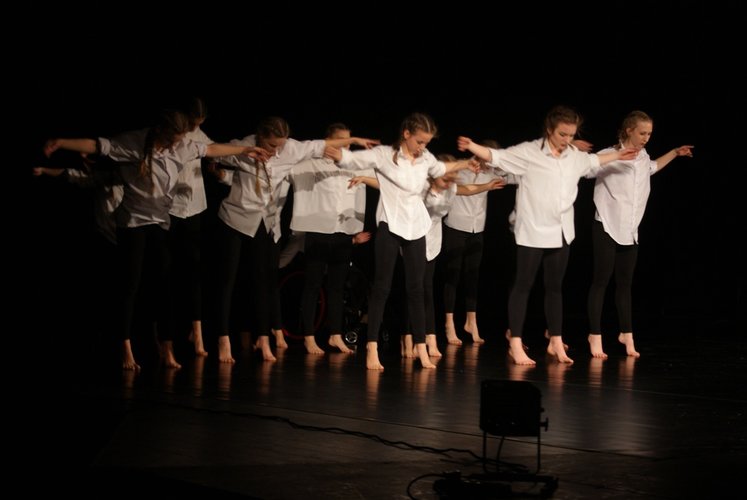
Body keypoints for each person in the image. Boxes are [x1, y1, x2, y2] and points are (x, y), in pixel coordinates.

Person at [44, 109, 269, 371]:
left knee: (164, 283)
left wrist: (244, 150)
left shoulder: (182, 146)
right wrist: (62, 142)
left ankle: (167, 349)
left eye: (179, 140)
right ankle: (125, 346)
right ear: (161, 131)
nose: (175, 145)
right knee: (130, 285)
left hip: (160, 221)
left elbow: (211, 149)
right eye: (172, 140)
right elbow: (98, 145)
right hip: (132, 223)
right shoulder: (135, 143)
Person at [458, 105, 638, 366]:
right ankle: (515, 342)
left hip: (561, 229)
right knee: (523, 285)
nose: (567, 140)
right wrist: (472, 146)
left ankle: (555, 340)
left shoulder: (574, 156)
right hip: (532, 229)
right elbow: (497, 156)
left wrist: (619, 154)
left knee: (554, 288)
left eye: (571, 135)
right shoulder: (530, 152)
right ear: (549, 130)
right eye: (562, 134)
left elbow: (594, 161)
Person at [212, 117, 377, 363]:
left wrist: (358, 159)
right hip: (253, 221)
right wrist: (229, 168)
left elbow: (376, 176)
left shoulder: (300, 152)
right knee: (237, 280)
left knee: (276, 281)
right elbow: (217, 155)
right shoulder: (284, 157)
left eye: (279, 146)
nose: (275, 151)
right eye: (271, 145)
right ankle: (236, 337)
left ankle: (276, 337)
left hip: (294, 226)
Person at [328, 112, 477, 370]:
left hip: (416, 226)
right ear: (406, 134)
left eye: (426, 143)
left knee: (416, 289)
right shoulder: (384, 155)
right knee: (382, 287)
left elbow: (441, 169)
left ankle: (421, 348)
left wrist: (466, 164)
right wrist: (337, 151)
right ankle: (372, 347)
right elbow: (351, 160)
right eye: (419, 141)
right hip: (390, 224)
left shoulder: (426, 158)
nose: (423, 147)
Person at [586, 110, 693, 359]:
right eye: (642, 133)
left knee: (625, 285)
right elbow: (587, 169)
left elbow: (652, 168)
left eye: (649, 134)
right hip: (606, 226)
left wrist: (675, 153)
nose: (646, 138)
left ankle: (627, 334)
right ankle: (594, 335)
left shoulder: (644, 157)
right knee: (601, 282)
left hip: (630, 229)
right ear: (629, 131)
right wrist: (604, 157)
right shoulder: (609, 154)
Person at [285, 123, 373, 355]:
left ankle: (335, 336)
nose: (346, 146)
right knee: (313, 285)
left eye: (348, 142)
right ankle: (309, 337)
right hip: (318, 232)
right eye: (341, 141)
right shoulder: (311, 164)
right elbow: (285, 162)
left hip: (343, 232)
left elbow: (383, 174)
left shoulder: (353, 165)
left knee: (336, 288)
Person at [441, 139, 508, 346]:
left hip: (477, 228)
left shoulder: (493, 173)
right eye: (489, 157)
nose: (491, 162)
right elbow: (448, 179)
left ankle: (471, 322)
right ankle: (449, 324)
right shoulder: (462, 168)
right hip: (455, 226)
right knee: (452, 276)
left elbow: (515, 175)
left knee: (473, 276)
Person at [169, 97, 212, 357]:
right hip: (169, 207)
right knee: (169, 271)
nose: (195, 127)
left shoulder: (200, 136)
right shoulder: (170, 135)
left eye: (200, 123)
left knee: (195, 270)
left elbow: (217, 150)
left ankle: (197, 333)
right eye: (193, 123)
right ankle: (166, 336)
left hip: (194, 207)